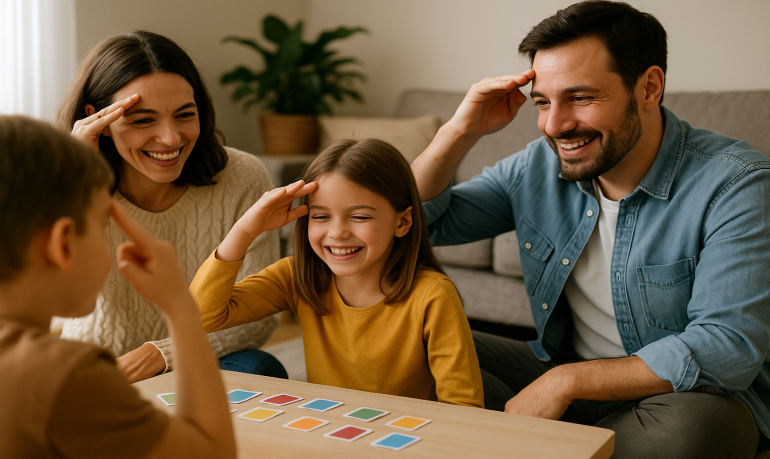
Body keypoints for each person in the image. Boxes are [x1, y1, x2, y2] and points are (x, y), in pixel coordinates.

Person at [410, 1, 770, 458]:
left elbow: (728, 346)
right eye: (542, 102)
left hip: (678, 400)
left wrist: (568, 381)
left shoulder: (736, 182)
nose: (555, 125)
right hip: (562, 373)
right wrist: (459, 131)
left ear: (649, 87)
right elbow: (417, 223)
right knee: (414, 342)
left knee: (694, 431)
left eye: (580, 98)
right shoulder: (538, 166)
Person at [0, 115, 235, 459]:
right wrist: (180, 308)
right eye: (101, 226)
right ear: (62, 244)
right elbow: (210, 452)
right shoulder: (68, 377)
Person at [55, 30, 285, 382]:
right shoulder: (64, 182)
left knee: (260, 367)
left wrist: (158, 355)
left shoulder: (242, 178)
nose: (171, 138)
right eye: (143, 119)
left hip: (196, 357)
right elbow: (56, 299)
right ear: (97, 118)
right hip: (97, 367)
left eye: (183, 115)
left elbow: (258, 316)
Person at [190, 138, 484, 407]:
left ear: (403, 222)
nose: (337, 232)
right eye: (320, 216)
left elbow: (463, 405)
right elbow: (202, 315)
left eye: (359, 216)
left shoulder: (432, 294)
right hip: (329, 431)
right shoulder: (296, 276)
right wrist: (245, 229)